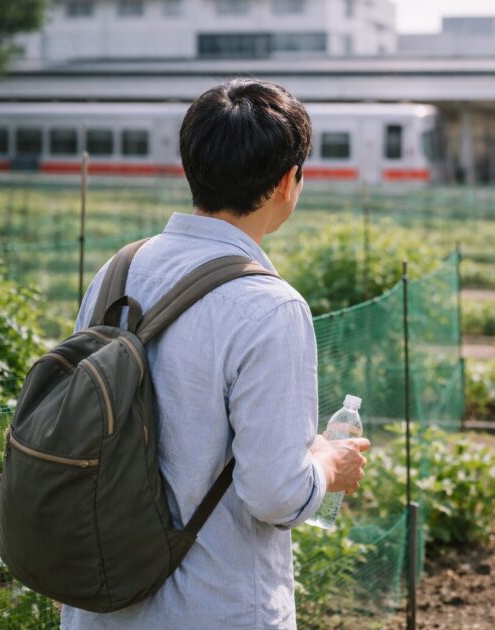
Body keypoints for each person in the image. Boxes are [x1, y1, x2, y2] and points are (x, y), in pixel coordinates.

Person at [62, 79, 370, 629]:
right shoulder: (271, 307)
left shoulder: (120, 269)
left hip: (99, 599)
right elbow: (274, 494)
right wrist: (328, 464)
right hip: (213, 605)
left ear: (192, 167)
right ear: (287, 181)